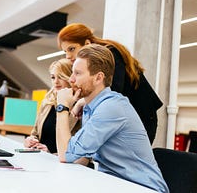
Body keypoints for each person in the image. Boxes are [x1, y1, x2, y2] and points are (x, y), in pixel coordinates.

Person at [56, 44, 169, 192]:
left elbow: (66, 155)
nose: (71, 79)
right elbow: (81, 157)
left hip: (143, 188)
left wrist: (62, 107)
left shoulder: (111, 108)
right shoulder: (92, 107)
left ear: (98, 78)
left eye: (77, 73)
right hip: (115, 184)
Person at [57, 23, 163, 144]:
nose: (68, 56)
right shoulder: (97, 59)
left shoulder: (109, 54)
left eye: (71, 49)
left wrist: (81, 102)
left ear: (87, 43)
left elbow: (112, 91)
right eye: (65, 51)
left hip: (142, 114)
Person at [24, 58, 80, 153]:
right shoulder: (47, 102)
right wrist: (31, 140)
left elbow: (79, 149)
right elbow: (35, 133)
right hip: (41, 158)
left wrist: (51, 152)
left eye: (61, 77)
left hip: (63, 162)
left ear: (71, 78)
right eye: (53, 77)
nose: (56, 82)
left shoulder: (80, 107)